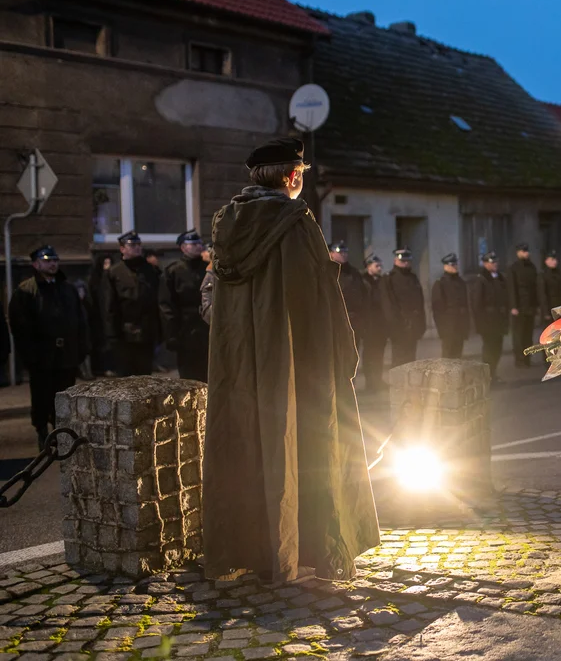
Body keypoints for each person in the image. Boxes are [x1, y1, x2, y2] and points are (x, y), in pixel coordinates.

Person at [203, 137, 379, 583]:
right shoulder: (295, 222)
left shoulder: (226, 224)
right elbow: (318, 300)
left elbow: (214, 301)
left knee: (247, 442)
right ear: (292, 176)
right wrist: (341, 354)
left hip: (241, 364)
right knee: (303, 444)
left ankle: (247, 549)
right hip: (296, 364)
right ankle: (310, 548)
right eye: (300, 173)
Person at [8, 246, 89, 450]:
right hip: (42, 357)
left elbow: (80, 320)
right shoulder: (26, 290)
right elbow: (21, 327)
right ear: (36, 264)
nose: (52, 264)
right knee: (42, 396)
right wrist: (30, 356)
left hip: (66, 355)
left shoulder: (67, 289)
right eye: (47, 261)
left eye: (55, 260)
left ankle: (62, 432)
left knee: (64, 396)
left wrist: (81, 349)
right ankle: (43, 432)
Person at [102, 231, 161, 376]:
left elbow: (157, 300)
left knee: (145, 376)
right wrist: (112, 335)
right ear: (122, 249)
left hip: (146, 333)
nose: (137, 248)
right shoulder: (114, 272)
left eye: (138, 244)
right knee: (126, 376)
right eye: (132, 245)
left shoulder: (150, 270)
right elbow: (108, 306)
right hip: (123, 334)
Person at [159, 230, 210, 382]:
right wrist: (172, 334)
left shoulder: (207, 269)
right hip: (185, 331)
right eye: (193, 244)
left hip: (207, 328)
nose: (198, 247)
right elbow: (166, 305)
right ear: (183, 247)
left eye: (199, 243)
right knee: (189, 375)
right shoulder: (173, 271)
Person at [380, 248, 426, 367]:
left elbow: (420, 302)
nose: (405, 263)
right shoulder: (389, 278)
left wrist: (421, 324)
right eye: (402, 260)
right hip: (399, 326)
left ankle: (410, 386)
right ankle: (397, 385)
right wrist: (395, 325)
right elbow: (388, 305)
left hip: (413, 325)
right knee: (399, 360)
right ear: (396, 260)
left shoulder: (413, 278)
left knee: (411, 360)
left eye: (407, 260)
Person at [470, 251, 510, 382]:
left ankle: (493, 372)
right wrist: (479, 323)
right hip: (487, 321)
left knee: (498, 348)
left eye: (496, 262)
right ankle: (487, 375)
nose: (495, 264)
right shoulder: (481, 279)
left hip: (499, 320)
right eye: (492, 262)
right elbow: (476, 304)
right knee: (489, 349)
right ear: (485, 263)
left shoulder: (500, 278)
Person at [431, 253, 470, 359]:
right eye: (452, 265)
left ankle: (456, 375)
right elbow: (437, 309)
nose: (455, 267)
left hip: (460, 325)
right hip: (448, 326)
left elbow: (465, 305)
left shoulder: (461, 282)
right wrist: (441, 329)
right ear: (445, 266)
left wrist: (466, 325)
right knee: (448, 355)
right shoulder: (440, 283)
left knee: (458, 354)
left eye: (456, 264)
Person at [328, 240, 366, 348]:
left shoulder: (354, 273)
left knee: (353, 349)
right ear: (331, 253)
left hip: (354, 319)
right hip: (335, 319)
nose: (344, 255)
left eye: (345, 252)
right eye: (340, 252)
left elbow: (363, 295)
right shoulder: (327, 272)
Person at [358, 254, 387, 392]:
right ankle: (370, 382)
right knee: (369, 354)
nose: (380, 268)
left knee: (379, 354)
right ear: (369, 266)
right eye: (377, 266)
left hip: (381, 323)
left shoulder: (382, 281)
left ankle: (378, 380)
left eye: (380, 265)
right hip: (368, 323)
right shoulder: (362, 281)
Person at [508, 243, 539, 367]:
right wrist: (513, 306)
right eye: (524, 251)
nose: (526, 253)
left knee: (528, 333)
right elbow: (511, 288)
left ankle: (527, 358)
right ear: (518, 253)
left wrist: (536, 304)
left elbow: (535, 287)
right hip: (519, 306)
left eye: (527, 251)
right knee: (518, 334)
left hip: (529, 305)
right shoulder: (513, 268)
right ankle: (519, 359)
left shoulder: (532, 267)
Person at [538, 250, 561, 321]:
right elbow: (542, 294)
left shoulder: (559, 273)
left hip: (560, 309)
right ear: (546, 261)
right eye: (552, 259)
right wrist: (546, 312)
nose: (555, 262)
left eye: (555, 259)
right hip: (549, 309)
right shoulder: (542, 275)